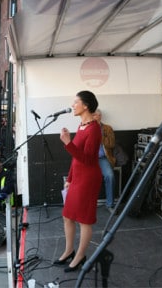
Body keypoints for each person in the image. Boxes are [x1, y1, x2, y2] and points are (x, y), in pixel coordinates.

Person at [56, 90, 102, 273]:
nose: (73, 105)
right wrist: (70, 177)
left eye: (76, 102)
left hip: (89, 179)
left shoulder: (94, 129)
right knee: (67, 216)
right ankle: (69, 251)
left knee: (84, 220)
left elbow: (89, 159)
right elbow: (76, 158)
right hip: (78, 178)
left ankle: (80, 255)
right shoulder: (82, 126)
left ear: (86, 106)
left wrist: (68, 143)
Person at [94, 109, 117, 209]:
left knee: (110, 176)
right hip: (90, 159)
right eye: (92, 115)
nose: (93, 117)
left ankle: (110, 204)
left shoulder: (107, 128)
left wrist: (100, 136)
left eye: (95, 115)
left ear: (100, 116)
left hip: (103, 158)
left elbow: (111, 144)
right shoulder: (86, 127)